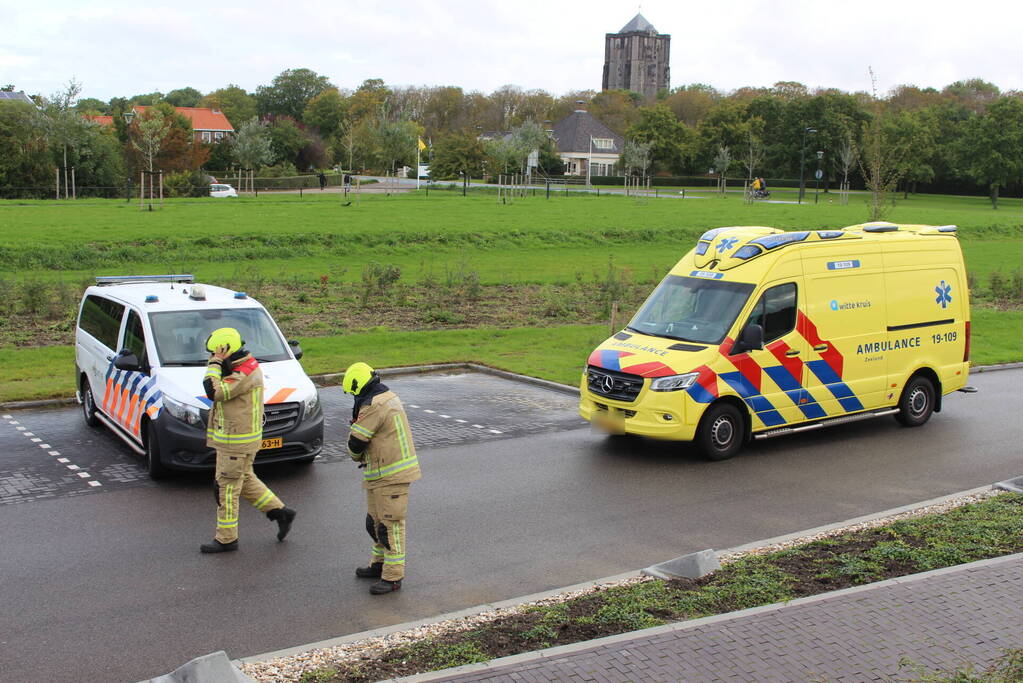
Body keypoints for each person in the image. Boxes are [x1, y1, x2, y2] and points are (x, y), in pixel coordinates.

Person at [200, 327, 296, 553]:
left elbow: (214, 392)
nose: (212, 357)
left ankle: (226, 539)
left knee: (226, 489)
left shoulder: (242, 373)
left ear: (226, 350)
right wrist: (218, 362)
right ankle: (280, 513)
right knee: (245, 479)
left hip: (235, 441)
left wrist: (215, 364)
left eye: (215, 353)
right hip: (238, 439)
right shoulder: (239, 366)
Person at [343, 362, 421, 594]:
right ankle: (378, 564)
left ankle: (393, 577)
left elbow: (356, 443)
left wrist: (355, 453)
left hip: (391, 475)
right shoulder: (384, 397)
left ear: (358, 387)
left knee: (389, 527)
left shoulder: (374, 405)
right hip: (379, 473)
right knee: (375, 523)